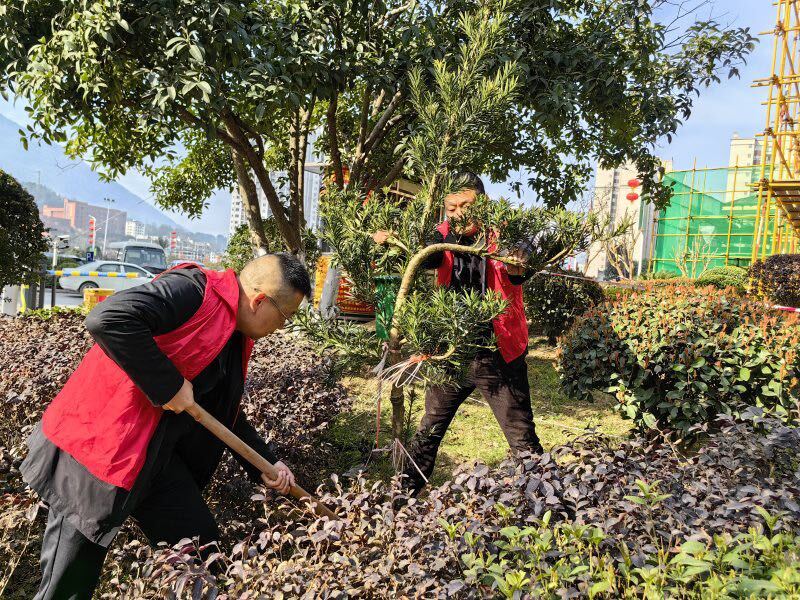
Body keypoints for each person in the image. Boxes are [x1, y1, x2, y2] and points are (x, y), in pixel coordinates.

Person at [21, 254, 311, 600]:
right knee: (68, 584)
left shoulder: (235, 333)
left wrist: (266, 462)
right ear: (259, 300)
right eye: (285, 317)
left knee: (203, 557)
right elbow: (107, 318)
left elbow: (224, 412)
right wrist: (168, 384)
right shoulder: (191, 291)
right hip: (100, 449)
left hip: (154, 457)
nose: (281, 328)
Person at [373, 172, 544, 494]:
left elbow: (522, 257)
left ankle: (551, 502)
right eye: (451, 208)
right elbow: (428, 255)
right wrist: (398, 243)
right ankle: (402, 498)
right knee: (429, 429)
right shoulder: (442, 235)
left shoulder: (505, 233)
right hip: (450, 352)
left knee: (521, 435)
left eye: (466, 205)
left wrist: (519, 261)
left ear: (484, 202)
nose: (458, 214)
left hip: (498, 354)